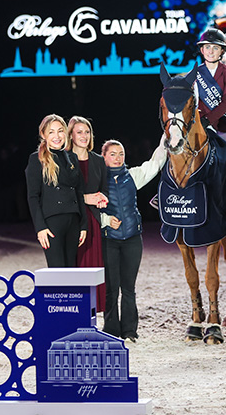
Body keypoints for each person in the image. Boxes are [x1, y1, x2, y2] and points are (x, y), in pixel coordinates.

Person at [100, 138, 166, 342]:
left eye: (121, 154)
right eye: (113, 154)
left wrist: (166, 138)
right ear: (104, 157)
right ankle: (111, 330)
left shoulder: (132, 176)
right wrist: (105, 220)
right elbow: (88, 208)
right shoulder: (97, 180)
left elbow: (155, 164)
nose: (117, 158)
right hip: (109, 240)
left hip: (132, 239)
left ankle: (129, 331)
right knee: (111, 289)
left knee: (129, 288)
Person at [25, 114, 87, 267]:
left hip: (73, 221)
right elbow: (33, 196)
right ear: (43, 135)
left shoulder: (72, 158)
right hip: (52, 223)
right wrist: (40, 228)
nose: (57, 136)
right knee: (57, 270)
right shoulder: (37, 159)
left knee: (71, 269)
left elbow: (79, 193)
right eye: (51, 132)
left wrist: (83, 225)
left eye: (60, 131)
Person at [67, 116, 109, 312]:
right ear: (71, 135)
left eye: (87, 132)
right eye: (79, 132)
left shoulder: (98, 160)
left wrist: (101, 198)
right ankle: (76, 307)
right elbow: (59, 193)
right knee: (75, 265)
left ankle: (93, 308)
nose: (84, 136)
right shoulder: (64, 159)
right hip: (71, 218)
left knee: (93, 266)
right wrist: (85, 198)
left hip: (93, 220)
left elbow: (105, 189)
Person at [195, 27, 226, 165]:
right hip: (199, 126)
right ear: (202, 50)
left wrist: (208, 120)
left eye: (215, 48)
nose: (211, 51)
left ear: (222, 51)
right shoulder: (194, 74)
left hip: (224, 125)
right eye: (207, 47)